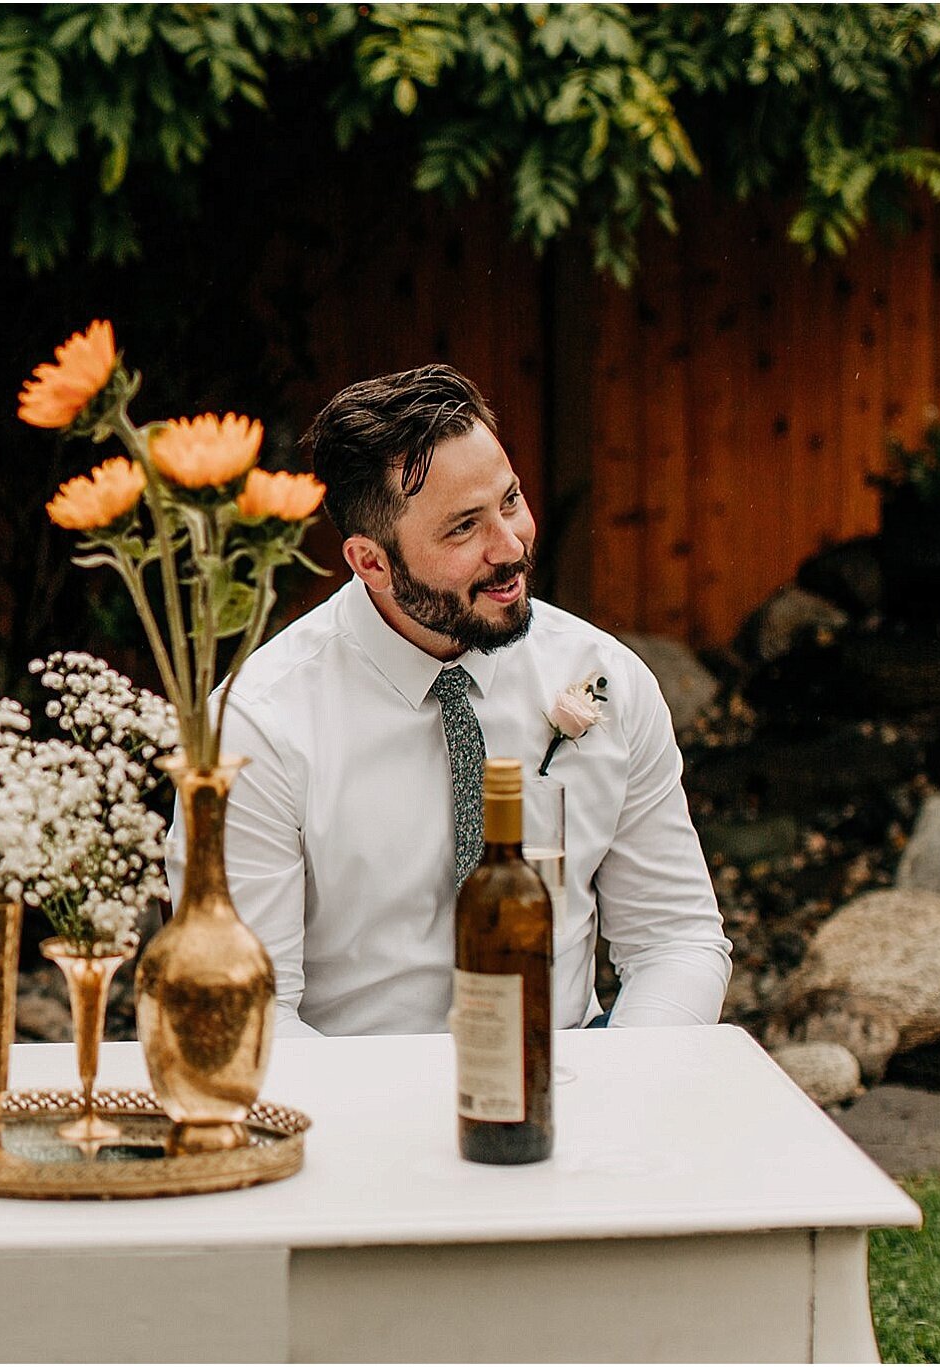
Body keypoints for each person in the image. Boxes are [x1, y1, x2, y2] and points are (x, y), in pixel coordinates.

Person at [170, 365, 730, 1037]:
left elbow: (676, 939)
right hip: (352, 1104)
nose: (511, 544)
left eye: (511, 500)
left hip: (573, 1086)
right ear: (370, 562)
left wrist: (619, 1089)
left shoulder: (606, 677)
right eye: (463, 528)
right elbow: (248, 1011)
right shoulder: (255, 727)